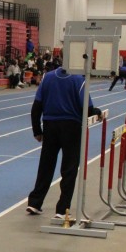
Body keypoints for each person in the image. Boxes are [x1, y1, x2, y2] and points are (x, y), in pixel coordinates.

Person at [26, 67, 102, 219]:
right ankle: (62, 209)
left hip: (50, 126)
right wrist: (98, 112)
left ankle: (35, 202)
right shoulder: (79, 80)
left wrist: (37, 130)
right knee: (69, 168)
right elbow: (87, 109)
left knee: (46, 166)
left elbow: (36, 107)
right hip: (71, 127)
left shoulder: (47, 77)